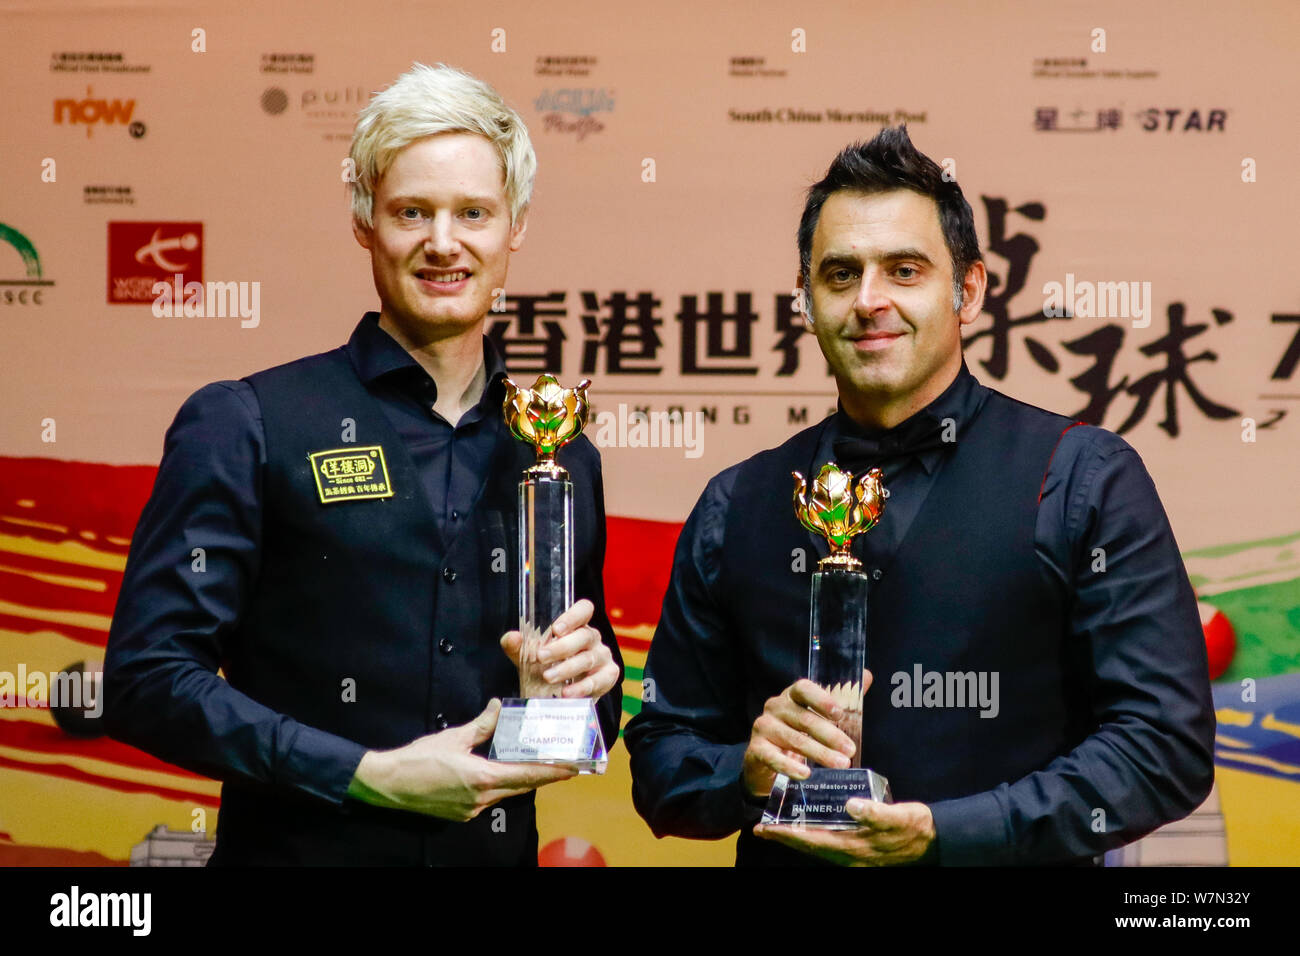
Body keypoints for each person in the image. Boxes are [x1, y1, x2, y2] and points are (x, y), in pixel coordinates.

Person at [624, 126, 1215, 866]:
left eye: (904, 270)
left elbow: (1164, 746)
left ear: (968, 291)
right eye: (840, 275)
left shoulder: (1082, 477)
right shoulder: (735, 504)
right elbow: (660, 759)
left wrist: (948, 832)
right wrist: (742, 772)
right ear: (804, 299)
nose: (869, 300)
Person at [103, 63, 623, 866]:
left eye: (473, 213)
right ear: (364, 220)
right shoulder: (250, 421)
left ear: (514, 225)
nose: (443, 243)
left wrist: (592, 685)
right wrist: (363, 775)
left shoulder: (560, 451)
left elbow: (592, 705)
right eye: (412, 211)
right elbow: (147, 678)